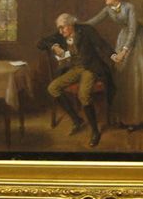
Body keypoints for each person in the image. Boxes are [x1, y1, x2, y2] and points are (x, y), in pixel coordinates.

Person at [85, 0, 143, 131]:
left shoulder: (129, 7)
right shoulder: (108, 9)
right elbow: (92, 22)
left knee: (135, 76)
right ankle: (125, 116)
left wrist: (124, 51)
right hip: (123, 37)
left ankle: (138, 118)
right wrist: (75, 25)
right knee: (121, 76)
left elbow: (133, 30)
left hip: (137, 40)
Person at [37, 13, 116, 147]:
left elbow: (102, 44)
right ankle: (77, 119)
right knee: (53, 88)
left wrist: (113, 55)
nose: (60, 32)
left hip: (90, 68)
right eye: (59, 28)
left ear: (71, 25)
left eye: (62, 28)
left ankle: (95, 131)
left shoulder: (86, 30)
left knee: (83, 95)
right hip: (75, 69)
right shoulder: (61, 35)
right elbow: (40, 43)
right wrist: (54, 46)